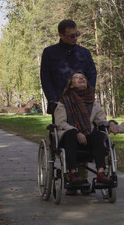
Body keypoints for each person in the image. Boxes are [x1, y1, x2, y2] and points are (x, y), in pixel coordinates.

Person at [40, 19, 97, 194]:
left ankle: (83, 179)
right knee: (67, 138)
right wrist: (52, 100)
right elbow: (46, 78)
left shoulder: (84, 53)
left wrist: (88, 94)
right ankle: (70, 177)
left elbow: (92, 74)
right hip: (60, 104)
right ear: (61, 35)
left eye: (76, 34)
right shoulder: (50, 53)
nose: (75, 38)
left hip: (82, 103)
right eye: (71, 35)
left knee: (85, 137)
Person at [54, 71, 112, 186]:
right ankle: (73, 173)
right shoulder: (64, 101)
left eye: (83, 77)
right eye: (77, 77)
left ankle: (101, 173)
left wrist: (110, 124)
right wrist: (76, 132)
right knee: (70, 134)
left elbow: (101, 121)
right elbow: (60, 122)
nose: (81, 78)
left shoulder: (94, 103)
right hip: (69, 138)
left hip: (87, 136)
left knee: (97, 134)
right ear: (71, 84)